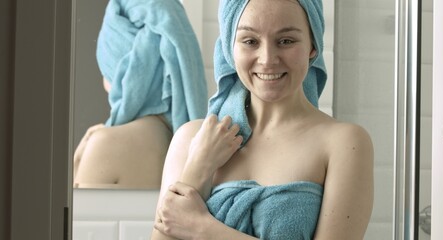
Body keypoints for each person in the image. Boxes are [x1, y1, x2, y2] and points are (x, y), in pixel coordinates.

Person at [151, 0, 374, 239]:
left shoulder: (344, 142)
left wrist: (202, 229)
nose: (267, 59)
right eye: (250, 41)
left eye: (286, 41)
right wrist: (200, 166)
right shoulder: (191, 138)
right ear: (230, 47)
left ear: (313, 46)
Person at [73, 0, 208, 189]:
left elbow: (76, 217)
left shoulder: (105, 145)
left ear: (121, 75)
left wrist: (78, 163)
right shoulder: (197, 150)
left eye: (105, 70)